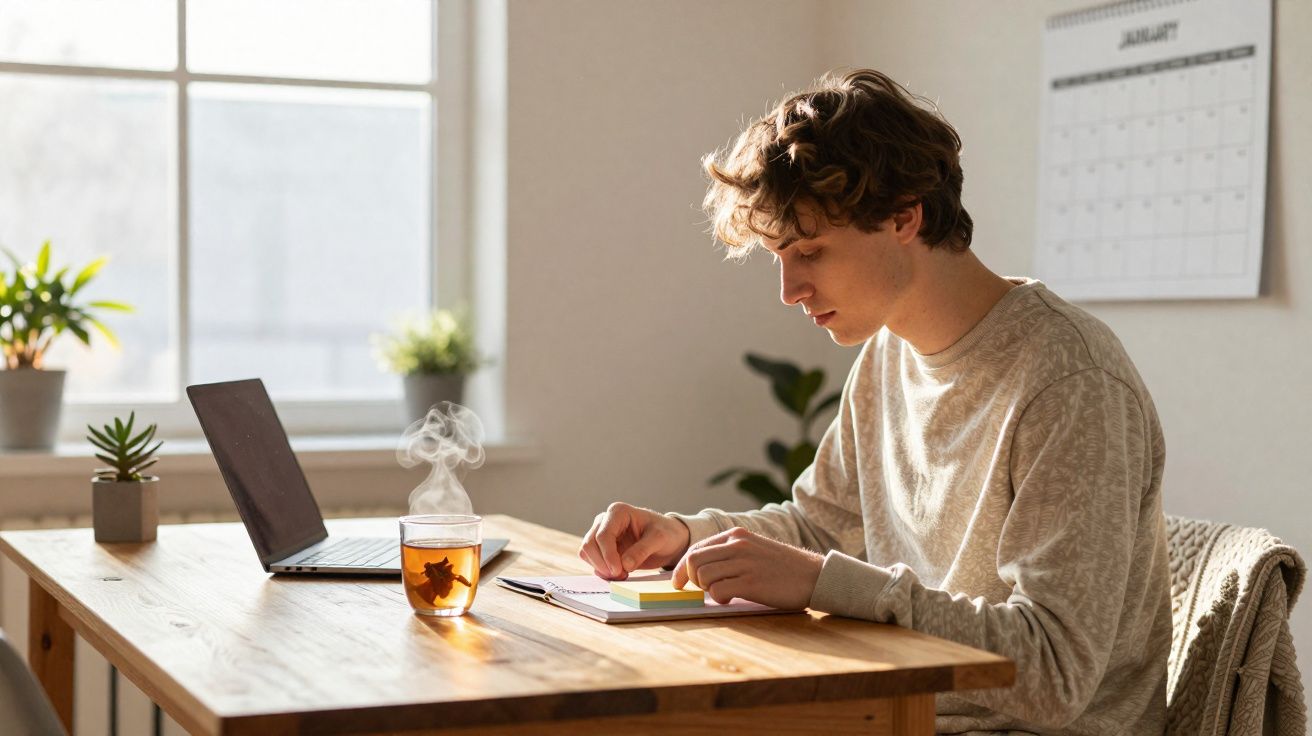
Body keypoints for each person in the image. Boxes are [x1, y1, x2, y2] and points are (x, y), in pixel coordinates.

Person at [578, 68, 1170, 735]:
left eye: (810, 252)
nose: (789, 290)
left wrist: (822, 583)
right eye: (778, 256)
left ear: (904, 217)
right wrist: (688, 536)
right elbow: (820, 529)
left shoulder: (1070, 379)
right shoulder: (887, 354)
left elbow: (1056, 672)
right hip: (899, 713)